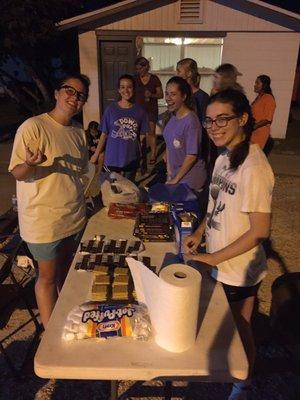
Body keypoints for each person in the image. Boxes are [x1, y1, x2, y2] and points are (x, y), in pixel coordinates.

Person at [183, 89, 274, 400]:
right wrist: (200, 230)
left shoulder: (255, 167)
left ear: (243, 119)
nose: (214, 126)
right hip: (221, 261)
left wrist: (214, 258)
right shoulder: (223, 157)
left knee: (240, 325)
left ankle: (243, 382)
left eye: (223, 119)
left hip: (238, 268)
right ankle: (235, 371)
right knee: (231, 322)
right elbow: (216, 202)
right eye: (209, 120)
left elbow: (260, 231)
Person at [9, 73, 90, 328]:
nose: (74, 98)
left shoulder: (78, 131)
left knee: (67, 272)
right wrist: (29, 164)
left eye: (80, 95)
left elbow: (80, 173)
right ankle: (51, 334)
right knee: (47, 277)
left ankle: (68, 320)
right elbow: (16, 172)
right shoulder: (33, 126)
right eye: (69, 90)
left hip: (73, 217)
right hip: (44, 221)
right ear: (56, 93)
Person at [91, 74, 149, 182]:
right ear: (118, 90)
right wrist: (96, 154)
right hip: (112, 159)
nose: (126, 90)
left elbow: (142, 140)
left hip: (131, 159)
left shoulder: (141, 112)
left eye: (129, 87)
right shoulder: (111, 109)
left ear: (134, 89)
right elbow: (104, 134)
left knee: (128, 193)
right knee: (112, 191)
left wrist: (144, 161)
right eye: (122, 87)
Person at [163, 76, 207, 191]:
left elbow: (192, 156)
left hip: (189, 179)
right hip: (175, 176)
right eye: (166, 94)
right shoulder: (172, 117)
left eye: (173, 94)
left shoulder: (191, 121)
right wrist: (169, 173)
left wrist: (176, 180)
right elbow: (168, 144)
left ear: (183, 96)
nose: (168, 98)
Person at [176, 58, 216, 175]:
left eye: (179, 71)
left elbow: (205, 126)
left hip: (196, 150)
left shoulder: (202, 98)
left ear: (189, 74)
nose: (176, 74)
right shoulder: (181, 96)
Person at [134, 57, 163, 165]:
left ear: (146, 67)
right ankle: (139, 153)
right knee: (137, 132)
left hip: (151, 109)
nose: (138, 71)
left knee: (151, 132)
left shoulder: (154, 79)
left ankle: (153, 154)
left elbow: (161, 94)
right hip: (138, 110)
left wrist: (151, 95)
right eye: (136, 69)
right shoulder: (135, 78)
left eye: (140, 68)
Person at [251, 75, 276, 155]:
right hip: (254, 132)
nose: (255, 85)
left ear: (264, 85)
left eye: (257, 83)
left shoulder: (268, 99)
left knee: (255, 155)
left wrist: (253, 127)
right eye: (255, 83)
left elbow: (268, 119)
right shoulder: (259, 97)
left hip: (260, 133)